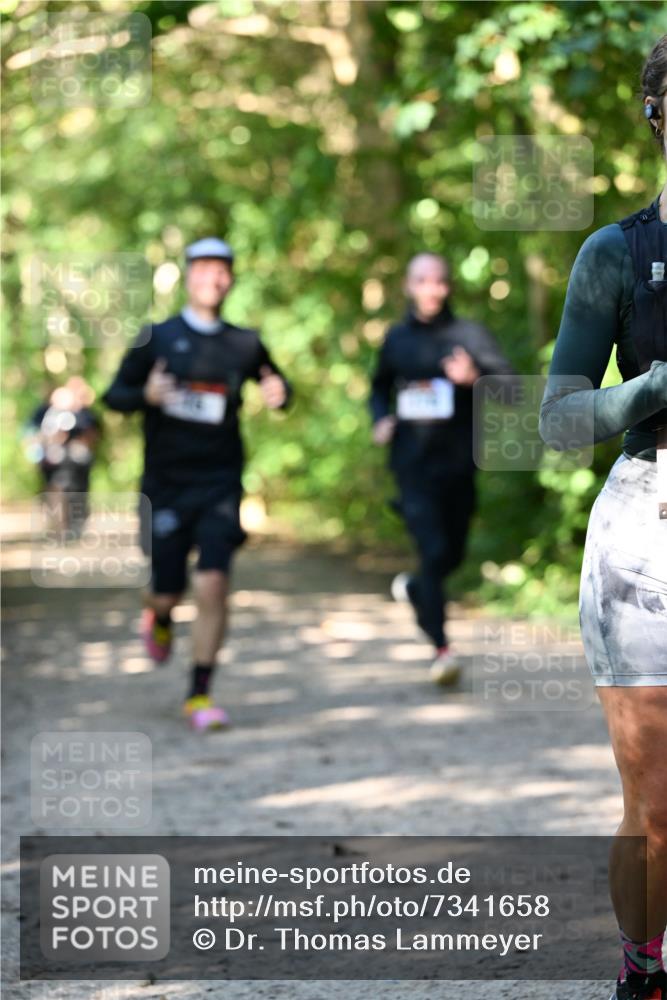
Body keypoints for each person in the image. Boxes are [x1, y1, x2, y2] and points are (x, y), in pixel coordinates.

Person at [540, 36, 667, 1000]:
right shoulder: (615, 254)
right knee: (658, 808)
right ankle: (642, 968)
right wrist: (646, 392)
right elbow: (555, 417)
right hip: (649, 529)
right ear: (657, 113)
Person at [103, 237, 291, 731]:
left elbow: (277, 382)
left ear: (231, 278)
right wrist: (144, 394)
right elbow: (114, 397)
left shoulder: (243, 342)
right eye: (204, 268)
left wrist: (279, 391)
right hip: (164, 484)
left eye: (222, 270)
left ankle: (200, 694)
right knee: (166, 592)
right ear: (188, 275)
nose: (214, 278)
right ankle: (159, 617)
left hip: (220, 482)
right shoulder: (156, 337)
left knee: (214, 583)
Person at [369, 251, 517, 684]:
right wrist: (381, 418)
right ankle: (442, 649)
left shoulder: (469, 335)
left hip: (458, 466)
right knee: (432, 552)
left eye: (438, 281)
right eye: (421, 280)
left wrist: (475, 379)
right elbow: (378, 389)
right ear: (408, 286)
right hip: (411, 466)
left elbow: (512, 391)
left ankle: (416, 590)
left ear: (447, 286)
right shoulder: (396, 339)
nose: (430, 288)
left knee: (450, 556)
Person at [25, 376, 101, 536]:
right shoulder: (45, 412)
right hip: (53, 460)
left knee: (77, 491)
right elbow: (32, 432)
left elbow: (94, 433)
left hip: (76, 462)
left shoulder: (85, 413)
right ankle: (59, 527)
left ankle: (73, 526)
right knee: (56, 490)